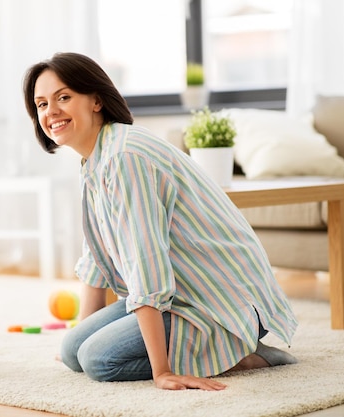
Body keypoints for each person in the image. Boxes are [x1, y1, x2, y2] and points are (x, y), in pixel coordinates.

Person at [22, 52, 298, 391]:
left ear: (95, 100)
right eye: (41, 104)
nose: (51, 112)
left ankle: (242, 354)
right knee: (73, 351)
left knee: (99, 360)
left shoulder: (124, 157)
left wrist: (161, 371)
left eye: (63, 97)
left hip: (219, 302)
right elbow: (97, 257)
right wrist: (81, 337)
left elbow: (145, 265)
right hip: (181, 294)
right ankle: (213, 351)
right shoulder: (95, 159)